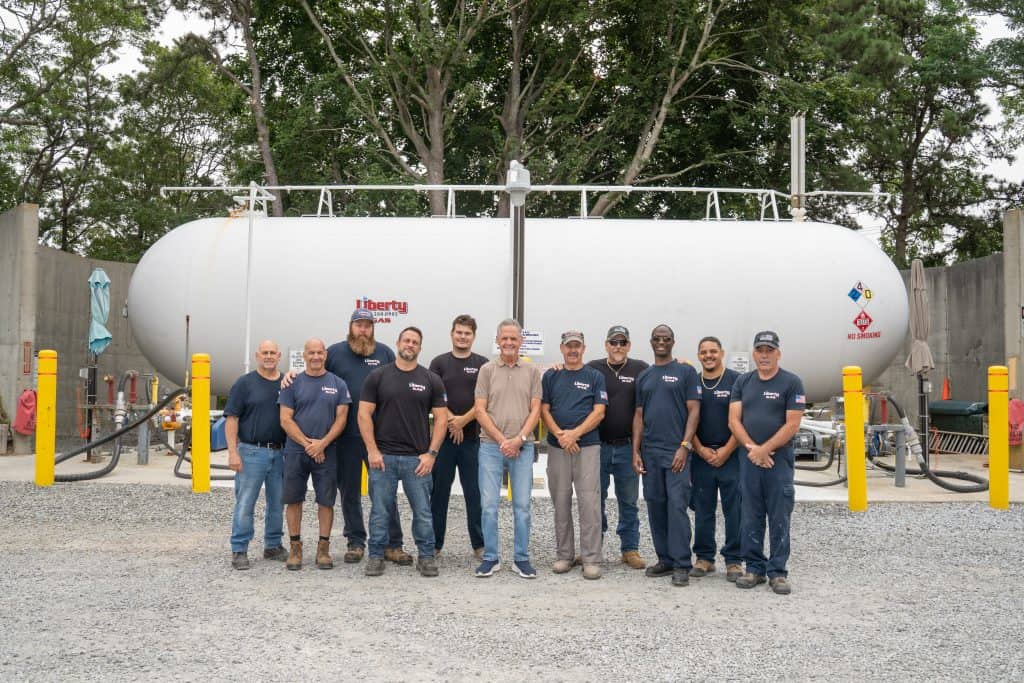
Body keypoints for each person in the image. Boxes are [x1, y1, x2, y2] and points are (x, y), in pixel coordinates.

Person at [359, 327, 448, 578]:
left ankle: (427, 556)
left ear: (420, 348)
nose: (410, 345)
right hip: (382, 459)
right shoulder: (378, 376)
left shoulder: (430, 379)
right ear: (398, 343)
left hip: (417, 460)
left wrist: (431, 454)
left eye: (415, 342)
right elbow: (363, 413)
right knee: (379, 511)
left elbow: (441, 420)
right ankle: (376, 555)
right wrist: (372, 451)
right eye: (407, 340)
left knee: (422, 512)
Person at [325, 308, 409, 565]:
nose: (363, 330)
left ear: (373, 328)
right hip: (346, 435)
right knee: (349, 491)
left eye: (367, 325)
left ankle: (392, 544)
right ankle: (356, 541)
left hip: (378, 438)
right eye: (359, 325)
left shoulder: (384, 353)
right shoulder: (334, 353)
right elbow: (317, 377)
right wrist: (291, 376)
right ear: (350, 326)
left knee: (383, 492)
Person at [728, 330, 805, 595]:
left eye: (769, 350)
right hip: (749, 459)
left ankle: (778, 572)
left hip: (778, 460)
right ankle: (754, 569)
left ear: (778, 353)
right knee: (750, 515)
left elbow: (793, 423)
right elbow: (734, 420)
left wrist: (765, 449)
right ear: (754, 353)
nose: (764, 355)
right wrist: (753, 449)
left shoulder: (791, 383)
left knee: (779, 514)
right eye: (760, 350)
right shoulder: (743, 382)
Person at [632, 324, 701, 587]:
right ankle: (665, 559)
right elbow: (638, 416)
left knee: (677, 507)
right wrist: (635, 451)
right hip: (650, 453)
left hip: (676, 452)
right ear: (651, 342)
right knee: (655, 506)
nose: (662, 342)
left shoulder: (685, 372)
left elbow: (694, 410)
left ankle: (682, 563)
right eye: (657, 339)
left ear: (673, 342)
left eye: (666, 339)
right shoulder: (645, 377)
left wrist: (685, 445)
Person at [473, 318, 542, 579]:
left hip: (522, 448)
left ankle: (521, 559)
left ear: (521, 341)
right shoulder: (487, 370)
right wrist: (503, 440)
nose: (510, 343)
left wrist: (519, 439)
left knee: (522, 505)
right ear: (498, 341)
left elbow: (536, 409)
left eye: (514, 338)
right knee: (489, 505)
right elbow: (480, 409)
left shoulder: (532, 372)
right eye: (505, 338)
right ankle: (491, 557)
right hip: (491, 447)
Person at [279, 338, 351, 570]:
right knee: (293, 500)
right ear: (305, 355)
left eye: (320, 352)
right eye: (311, 353)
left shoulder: (338, 384)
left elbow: (341, 419)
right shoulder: (292, 383)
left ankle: (323, 549)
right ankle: (295, 548)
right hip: (295, 452)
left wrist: (322, 444)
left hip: (327, 452)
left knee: (326, 502)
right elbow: (285, 419)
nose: (316, 357)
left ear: (325, 355)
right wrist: (310, 445)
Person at [542, 330, 607, 579]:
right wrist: (561, 434)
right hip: (558, 447)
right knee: (560, 502)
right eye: (568, 346)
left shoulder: (594, 376)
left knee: (589, 503)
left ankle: (591, 559)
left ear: (584, 348)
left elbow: (599, 412)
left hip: (587, 446)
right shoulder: (552, 375)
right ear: (561, 348)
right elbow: (543, 409)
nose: (573, 350)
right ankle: (564, 556)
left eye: (577, 346)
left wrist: (575, 434)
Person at [587, 325, 649, 570]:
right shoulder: (593, 368)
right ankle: (594, 548)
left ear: (629, 345)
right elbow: (571, 376)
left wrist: (682, 366)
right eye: (614, 342)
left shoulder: (641, 369)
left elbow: (646, 403)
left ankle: (630, 549)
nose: (618, 347)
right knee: (595, 500)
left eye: (623, 342)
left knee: (629, 501)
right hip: (597, 447)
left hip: (627, 448)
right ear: (606, 345)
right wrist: (557, 367)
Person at [428, 314, 488, 559]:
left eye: (467, 333)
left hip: (472, 439)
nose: (463, 337)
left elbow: (486, 398)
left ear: (473, 337)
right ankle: (434, 544)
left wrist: (464, 420)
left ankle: (479, 545)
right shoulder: (439, 363)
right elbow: (433, 398)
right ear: (452, 333)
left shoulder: (483, 364)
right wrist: (452, 420)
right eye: (459, 332)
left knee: (474, 494)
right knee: (439, 494)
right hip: (443, 442)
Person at [225, 340, 288, 570]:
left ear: (279, 356)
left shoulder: (287, 383)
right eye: (265, 353)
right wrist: (233, 452)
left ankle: (273, 545)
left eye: (273, 353)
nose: (269, 356)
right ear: (257, 356)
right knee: (246, 502)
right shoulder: (245, 384)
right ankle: (239, 549)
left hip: (280, 453)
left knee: (277, 503)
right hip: (251, 452)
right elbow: (232, 419)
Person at [690, 336, 743, 582]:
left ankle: (733, 561)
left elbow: (741, 421)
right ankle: (704, 558)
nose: (708, 355)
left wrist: (727, 450)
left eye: (713, 351)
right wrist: (700, 449)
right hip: (701, 456)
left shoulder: (736, 381)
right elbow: (688, 420)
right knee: (703, 510)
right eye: (704, 352)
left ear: (721, 353)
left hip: (731, 456)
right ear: (698, 355)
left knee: (735, 511)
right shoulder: (692, 382)